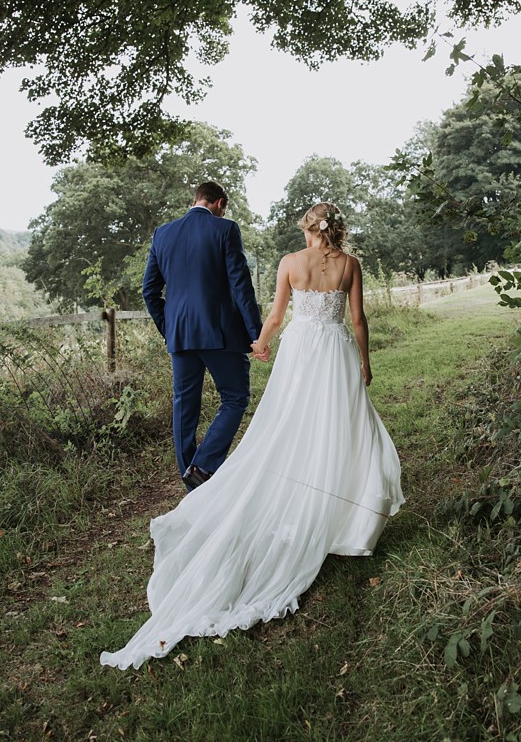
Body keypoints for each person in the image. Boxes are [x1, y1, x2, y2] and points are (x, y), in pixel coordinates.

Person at [101, 202, 404, 670]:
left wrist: (259, 344)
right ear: (336, 230)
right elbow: (358, 320)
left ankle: (288, 499)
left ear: (309, 229)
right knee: (340, 426)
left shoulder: (289, 263)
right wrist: (365, 362)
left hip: (300, 353)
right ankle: (346, 521)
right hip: (337, 351)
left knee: (291, 425)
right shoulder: (350, 265)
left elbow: (277, 316)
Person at [141, 181, 264, 492]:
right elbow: (241, 285)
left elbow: (149, 291)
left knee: (184, 405)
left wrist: (170, 328)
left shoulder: (163, 233)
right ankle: (205, 465)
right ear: (219, 203)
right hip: (219, 333)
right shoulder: (225, 229)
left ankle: (191, 480)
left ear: (195, 199)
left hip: (180, 335)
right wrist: (256, 334)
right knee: (235, 397)